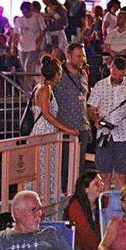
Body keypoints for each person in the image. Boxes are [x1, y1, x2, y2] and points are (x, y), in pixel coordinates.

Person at [88, 56, 126, 190]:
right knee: (104, 175)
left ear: (125, 71)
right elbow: (91, 109)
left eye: (121, 75)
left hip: (124, 134)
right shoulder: (100, 85)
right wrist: (95, 119)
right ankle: (105, 206)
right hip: (104, 134)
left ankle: (120, 207)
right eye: (115, 74)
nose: (117, 77)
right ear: (111, 68)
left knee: (121, 175)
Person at [30, 57, 79, 196]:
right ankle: (43, 197)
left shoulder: (43, 87)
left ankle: (45, 196)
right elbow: (46, 114)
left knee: (47, 168)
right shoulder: (45, 89)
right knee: (43, 168)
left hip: (46, 131)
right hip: (43, 132)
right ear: (57, 74)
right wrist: (68, 129)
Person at [55, 43, 91, 170]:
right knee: (65, 166)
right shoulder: (58, 75)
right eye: (78, 56)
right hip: (65, 126)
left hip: (82, 127)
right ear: (68, 56)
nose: (82, 59)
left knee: (79, 166)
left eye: (83, 56)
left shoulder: (84, 75)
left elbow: (84, 101)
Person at [66, 170, 104, 250]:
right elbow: (87, 234)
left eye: (101, 182)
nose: (101, 186)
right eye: (96, 184)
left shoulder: (103, 202)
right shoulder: (75, 206)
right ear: (86, 189)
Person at [12, 1, 45, 75]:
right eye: (23, 12)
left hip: (34, 46)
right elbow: (16, 33)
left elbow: (43, 30)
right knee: (24, 68)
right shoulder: (19, 20)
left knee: (28, 66)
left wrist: (39, 41)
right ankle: (29, 84)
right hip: (22, 46)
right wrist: (13, 46)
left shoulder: (37, 17)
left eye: (27, 12)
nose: (25, 14)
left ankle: (27, 85)